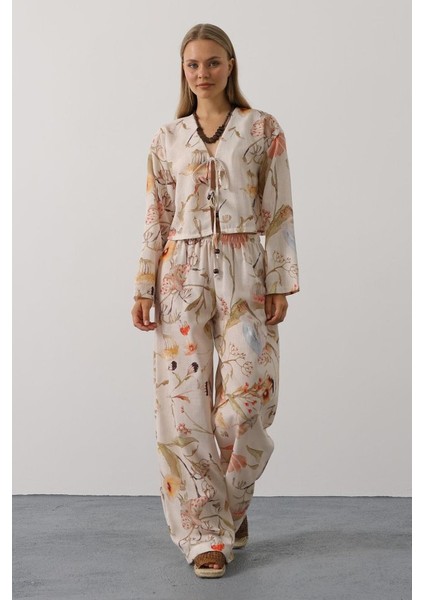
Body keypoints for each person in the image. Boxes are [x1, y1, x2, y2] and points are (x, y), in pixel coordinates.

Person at [131, 23, 300, 578]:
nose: (202, 73)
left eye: (212, 62)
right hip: (179, 273)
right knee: (183, 410)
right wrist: (143, 285)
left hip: (246, 270)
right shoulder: (167, 138)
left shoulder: (261, 128)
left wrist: (279, 281)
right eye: (192, 64)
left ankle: (231, 502)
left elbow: (279, 210)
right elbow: (156, 216)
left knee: (246, 401)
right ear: (183, 72)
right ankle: (205, 532)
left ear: (230, 65)